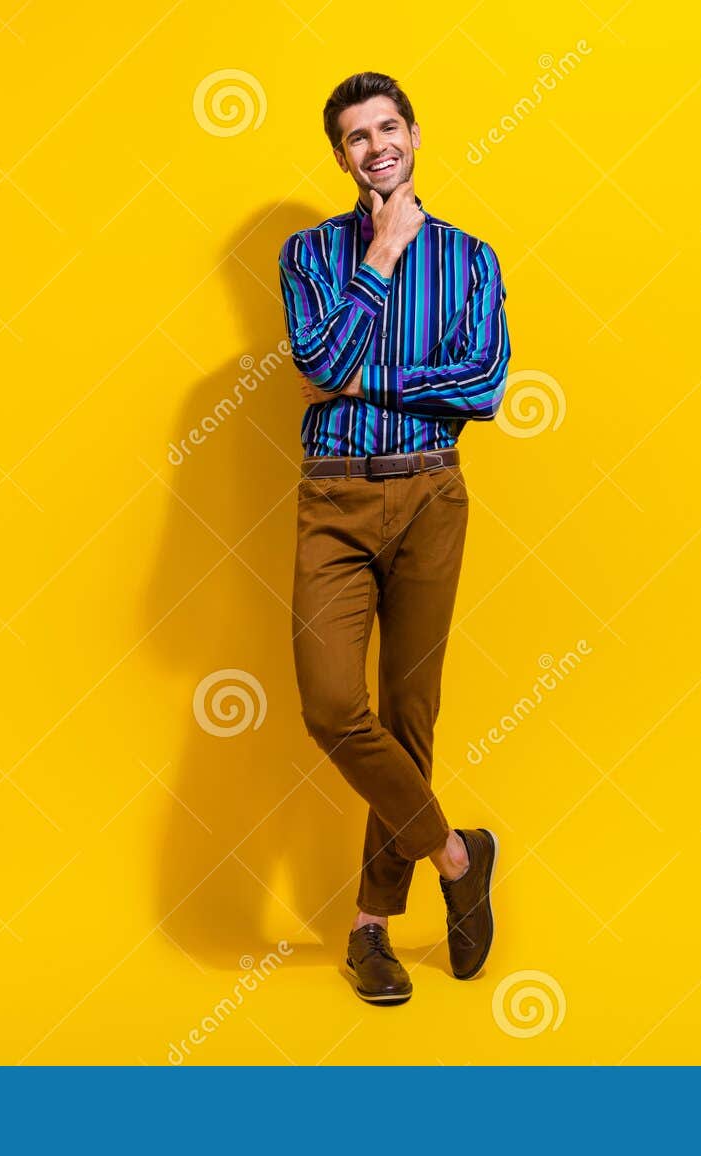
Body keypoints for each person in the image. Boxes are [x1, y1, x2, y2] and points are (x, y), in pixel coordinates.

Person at [278, 71, 512, 1005]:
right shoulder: (310, 256)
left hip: (431, 496)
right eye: (355, 137)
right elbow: (317, 358)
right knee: (335, 707)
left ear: (414, 134)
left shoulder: (473, 258)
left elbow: (484, 387)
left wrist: (358, 380)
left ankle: (370, 928)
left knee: (410, 717)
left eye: (387, 129)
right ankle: (460, 858)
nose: (375, 147)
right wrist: (379, 258)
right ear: (341, 156)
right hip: (332, 498)